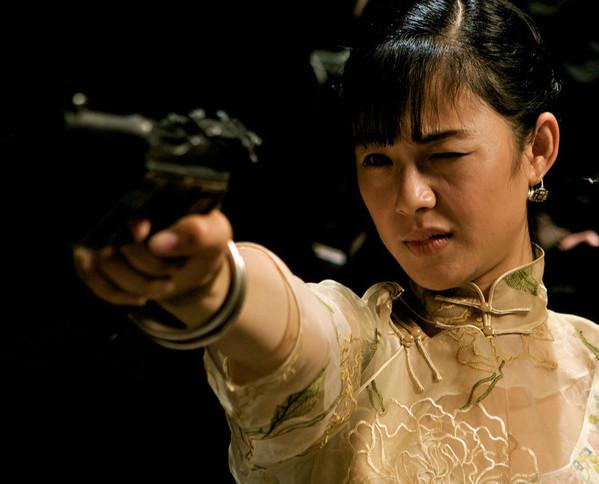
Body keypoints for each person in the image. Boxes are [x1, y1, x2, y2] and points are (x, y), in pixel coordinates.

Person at [73, 0, 599, 481]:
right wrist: (212, 280)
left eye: (444, 155)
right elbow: (291, 327)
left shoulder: (592, 359)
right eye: (377, 160)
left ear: (538, 149)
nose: (409, 198)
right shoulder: (359, 348)